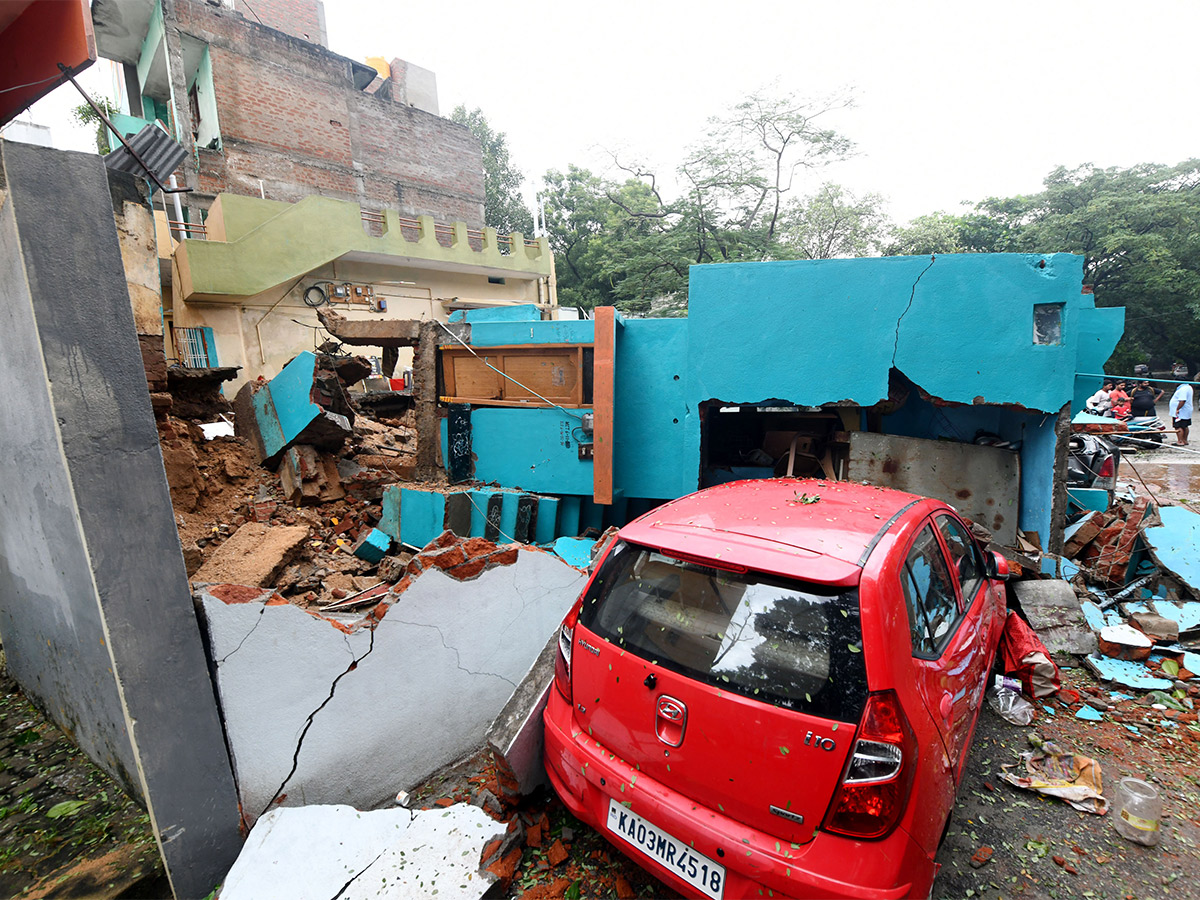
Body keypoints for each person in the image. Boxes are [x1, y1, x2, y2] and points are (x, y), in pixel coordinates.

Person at [1171, 379, 1194, 446]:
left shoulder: (1183, 389)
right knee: (1184, 425)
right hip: (1185, 411)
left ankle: (1180, 441)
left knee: (1179, 426)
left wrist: (1177, 409)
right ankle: (1184, 440)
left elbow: (1182, 400)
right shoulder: (1188, 387)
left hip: (1181, 411)